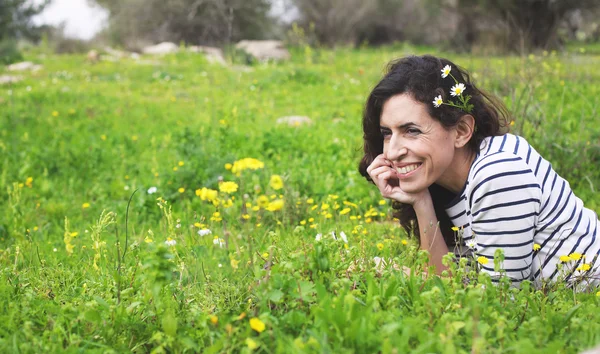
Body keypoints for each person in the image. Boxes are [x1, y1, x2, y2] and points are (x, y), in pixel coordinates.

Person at [359, 55, 599, 289]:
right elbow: (449, 279)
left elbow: (502, 299)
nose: (391, 152)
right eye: (387, 133)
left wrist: (397, 273)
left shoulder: (498, 173)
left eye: (411, 130)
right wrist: (421, 201)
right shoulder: (449, 180)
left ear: (462, 131)